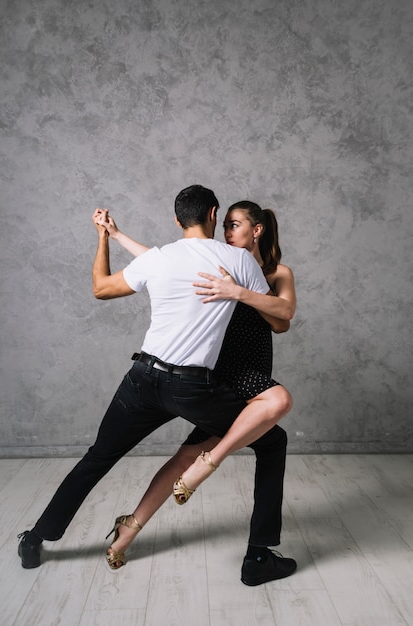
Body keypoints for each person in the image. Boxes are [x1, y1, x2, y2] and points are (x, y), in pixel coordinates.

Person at [17, 185, 296, 586]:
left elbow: (101, 288)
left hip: (142, 380)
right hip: (192, 388)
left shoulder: (159, 257)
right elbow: (278, 318)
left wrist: (105, 238)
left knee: (97, 457)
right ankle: (257, 553)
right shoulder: (237, 261)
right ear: (213, 215)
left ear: (177, 220)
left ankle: (35, 538)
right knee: (270, 438)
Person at [93, 201, 297, 582]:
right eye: (226, 225)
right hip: (227, 374)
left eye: (235, 226)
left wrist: (236, 291)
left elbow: (283, 318)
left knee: (183, 457)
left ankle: (127, 531)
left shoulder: (271, 273)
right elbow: (161, 261)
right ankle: (257, 551)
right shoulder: (217, 261)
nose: (227, 232)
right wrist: (117, 235)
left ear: (257, 231)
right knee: (273, 432)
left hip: (246, 372)